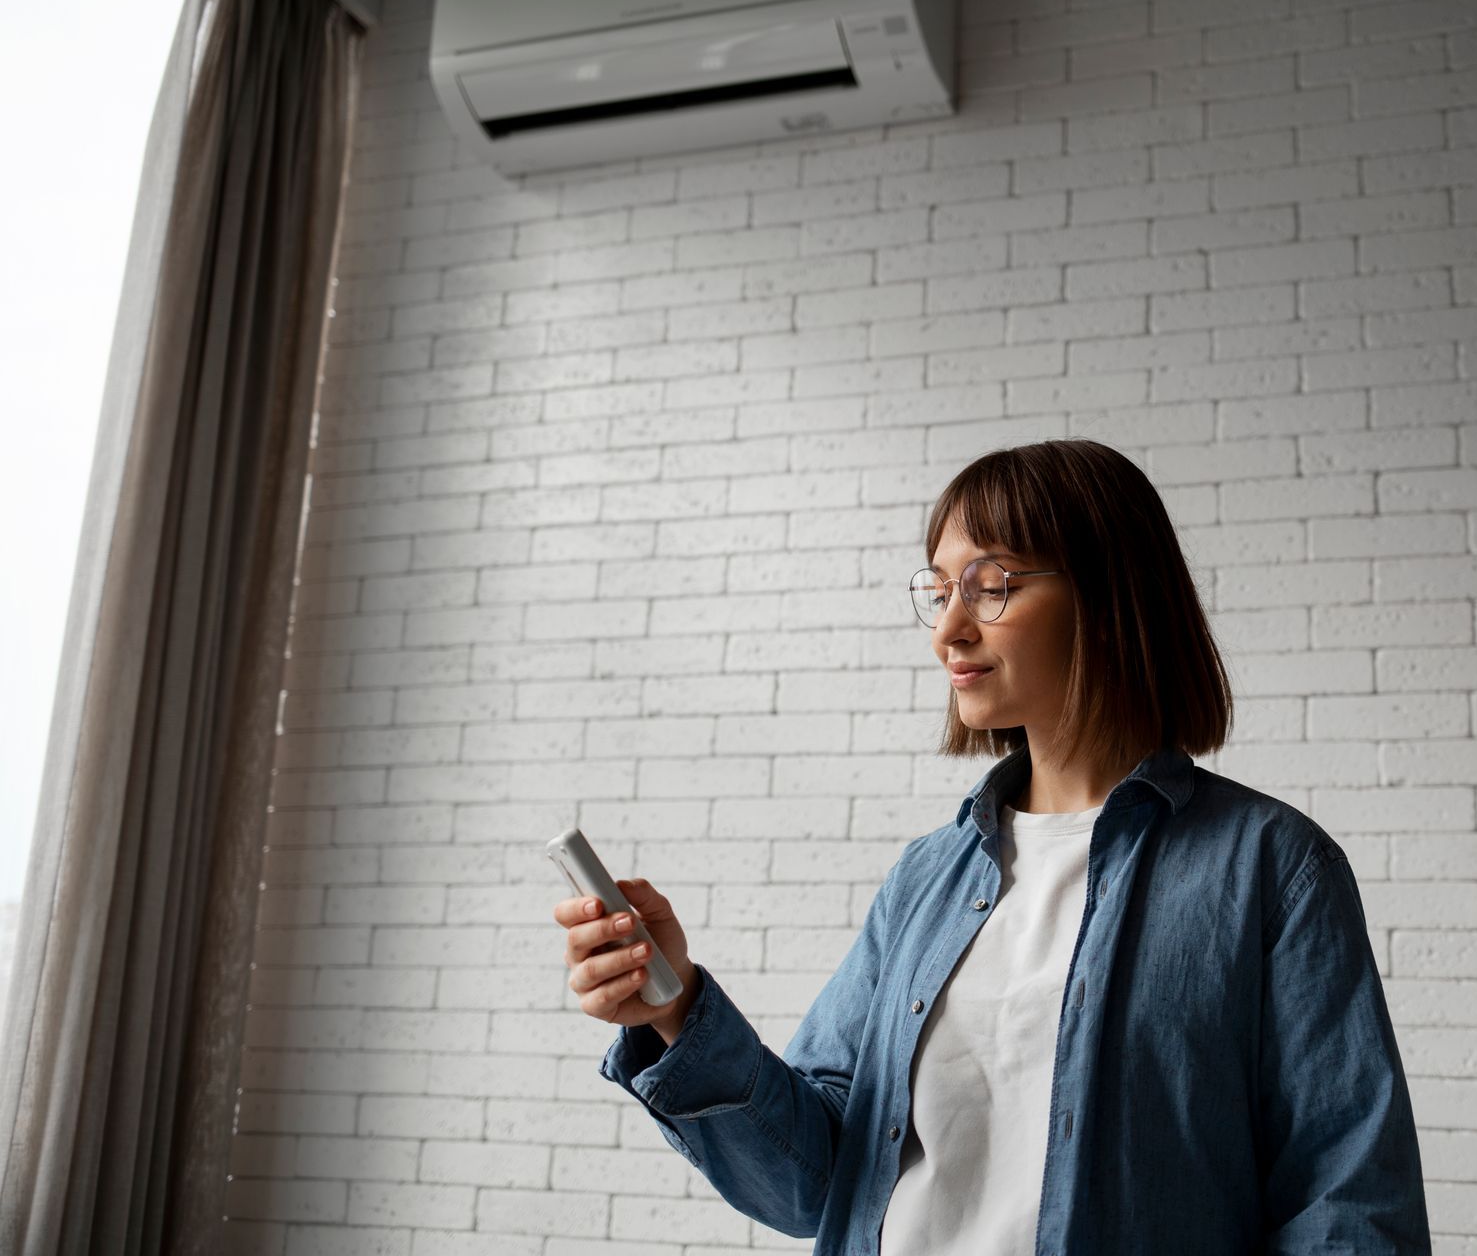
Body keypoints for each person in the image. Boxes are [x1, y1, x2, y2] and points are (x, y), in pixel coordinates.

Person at [555, 438, 1431, 1254]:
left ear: (1109, 591)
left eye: (991, 584)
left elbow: (1350, 1207)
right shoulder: (927, 879)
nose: (949, 629)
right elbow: (814, 1181)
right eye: (939, 591)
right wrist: (674, 1011)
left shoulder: (1272, 870)